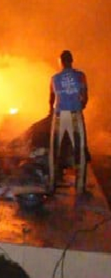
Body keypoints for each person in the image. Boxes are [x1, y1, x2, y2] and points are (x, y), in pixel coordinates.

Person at [48, 50, 88, 194]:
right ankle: (80, 186)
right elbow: (85, 96)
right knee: (79, 149)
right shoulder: (80, 76)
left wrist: (51, 113)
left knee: (54, 150)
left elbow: (51, 100)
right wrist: (80, 107)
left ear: (61, 62)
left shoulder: (54, 78)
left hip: (59, 115)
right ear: (72, 60)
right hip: (74, 114)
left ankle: (51, 183)